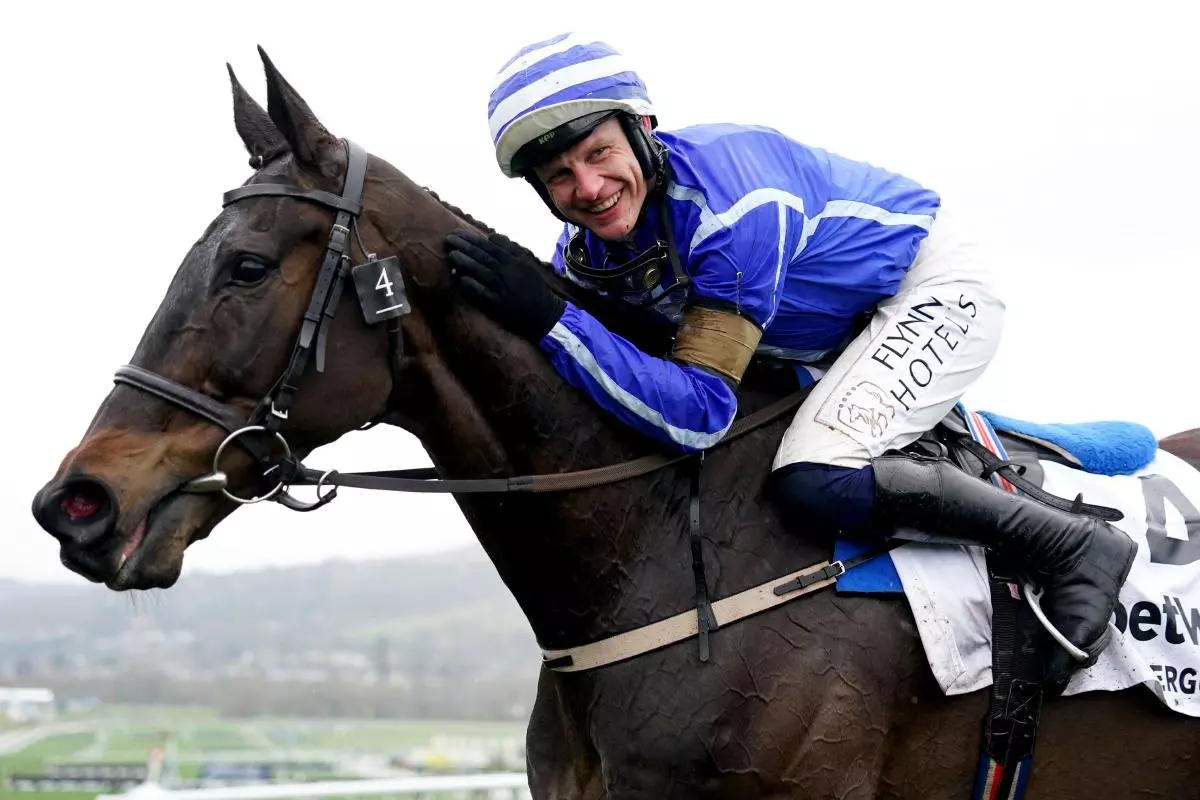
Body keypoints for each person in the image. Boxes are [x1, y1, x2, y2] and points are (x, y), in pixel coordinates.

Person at [443, 32, 1136, 680]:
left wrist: (551, 317)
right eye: (559, 176)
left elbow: (699, 414)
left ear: (643, 130)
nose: (588, 189)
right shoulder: (588, 256)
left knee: (814, 475)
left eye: (598, 155)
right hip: (814, 338)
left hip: (928, 285)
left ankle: (1071, 544)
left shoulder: (731, 209)